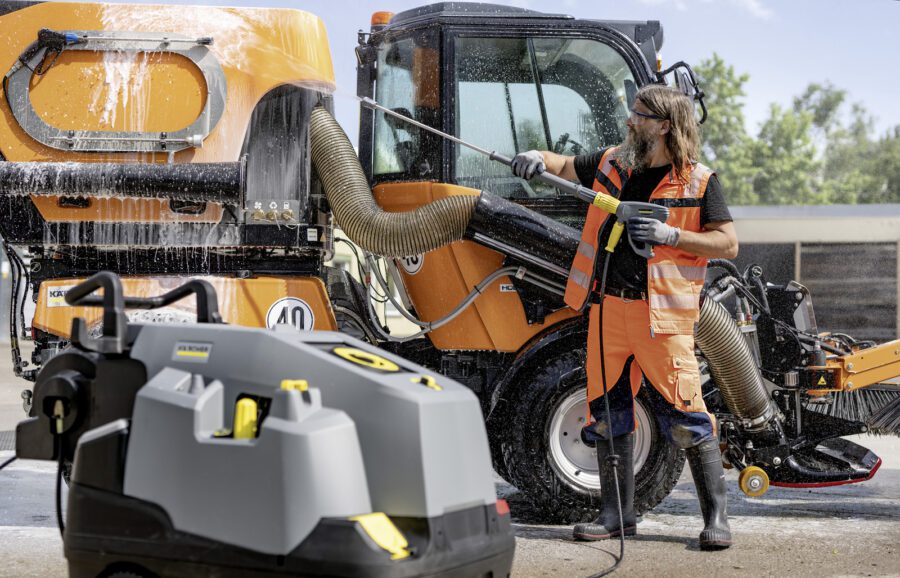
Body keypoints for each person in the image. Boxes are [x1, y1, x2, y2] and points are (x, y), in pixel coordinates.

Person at [510, 84, 738, 550]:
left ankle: (717, 519)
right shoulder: (614, 162)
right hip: (608, 311)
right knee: (608, 413)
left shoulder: (699, 181)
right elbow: (562, 165)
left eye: (639, 115)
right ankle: (617, 517)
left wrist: (670, 234)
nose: (630, 120)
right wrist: (535, 157)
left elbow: (728, 243)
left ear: (665, 125)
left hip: (662, 318)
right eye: (632, 112)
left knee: (687, 416)